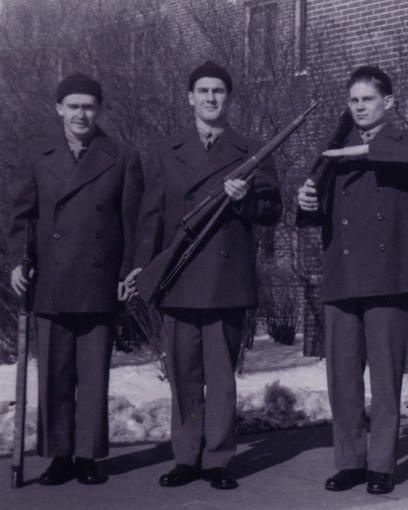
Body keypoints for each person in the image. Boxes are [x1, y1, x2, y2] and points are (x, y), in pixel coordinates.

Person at [128, 61, 282, 490]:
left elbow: (272, 211)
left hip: (225, 279)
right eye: (203, 91)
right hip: (178, 274)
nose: (211, 98)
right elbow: (151, 215)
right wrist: (143, 264)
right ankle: (185, 457)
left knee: (220, 377)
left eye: (218, 91)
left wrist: (245, 198)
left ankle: (217, 460)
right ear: (190, 98)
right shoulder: (166, 150)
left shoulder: (253, 150)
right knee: (183, 375)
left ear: (228, 98)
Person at [296, 65, 408, 494]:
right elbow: (315, 209)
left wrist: (361, 151)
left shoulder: (403, 141)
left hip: (389, 276)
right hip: (342, 275)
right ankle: (350, 461)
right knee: (342, 378)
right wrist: (306, 202)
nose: (360, 107)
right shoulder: (335, 150)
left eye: (368, 99)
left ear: (387, 102)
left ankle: (381, 464)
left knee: (385, 377)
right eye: (354, 100)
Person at [8, 73, 143, 485]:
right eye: (73, 106)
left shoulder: (121, 156)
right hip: (50, 279)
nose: (81, 114)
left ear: (98, 110)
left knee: (93, 373)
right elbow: (21, 217)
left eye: (88, 106)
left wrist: (127, 272)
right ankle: (59, 455)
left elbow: (131, 222)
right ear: (59, 109)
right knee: (55, 373)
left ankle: (87, 456)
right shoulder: (37, 155)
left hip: (100, 281)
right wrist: (18, 261)